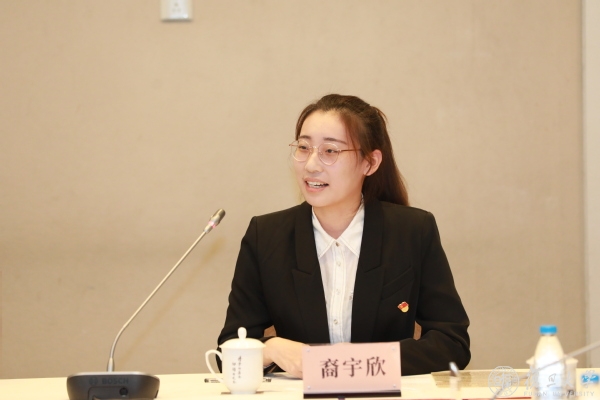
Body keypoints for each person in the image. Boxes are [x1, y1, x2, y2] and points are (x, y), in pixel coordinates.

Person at [217, 94, 470, 377]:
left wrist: (353, 363)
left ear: (370, 162)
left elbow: (452, 343)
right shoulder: (266, 236)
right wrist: (272, 348)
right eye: (304, 147)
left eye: (330, 151)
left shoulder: (412, 231)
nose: (311, 165)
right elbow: (228, 351)